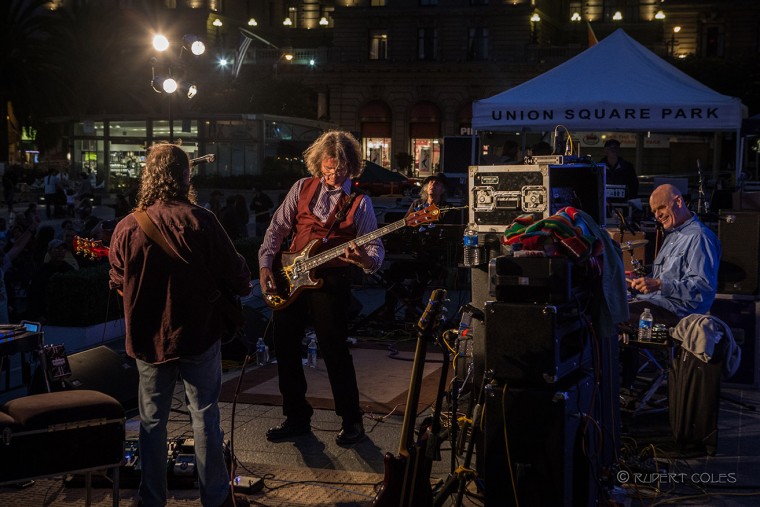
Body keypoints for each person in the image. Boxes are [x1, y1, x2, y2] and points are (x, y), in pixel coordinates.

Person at [108, 143, 251, 507]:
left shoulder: (127, 227)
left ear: (148, 177)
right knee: (205, 417)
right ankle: (215, 499)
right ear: (185, 176)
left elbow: (117, 280)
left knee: (151, 423)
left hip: (149, 339)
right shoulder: (201, 220)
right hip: (199, 334)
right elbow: (237, 275)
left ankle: (152, 499)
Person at [258, 130, 384, 446]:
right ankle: (296, 418)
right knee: (285, 345)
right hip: (291, 275)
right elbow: (276, 229)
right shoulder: (301, 187)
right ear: (319, 163)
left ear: (351, 167)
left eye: (339, 170)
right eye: (328, 168)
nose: (332, 175)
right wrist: (264, 264)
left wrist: (363, 261)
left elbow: (376, 253)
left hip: (331, 282)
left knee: (334, 350)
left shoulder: (360, 202)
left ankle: (352, 421)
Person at [382, 173, 458, 320]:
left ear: (443, 190)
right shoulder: (417, 204)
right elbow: (405, 225)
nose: (432, 185)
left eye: (437, 183)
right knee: (390, 273)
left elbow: (448, 234)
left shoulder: (448, 208)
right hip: (411, 254)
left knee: (422, 275)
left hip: (432, 257)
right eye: (430, 182)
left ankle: (411, 310)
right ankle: (391, 311)